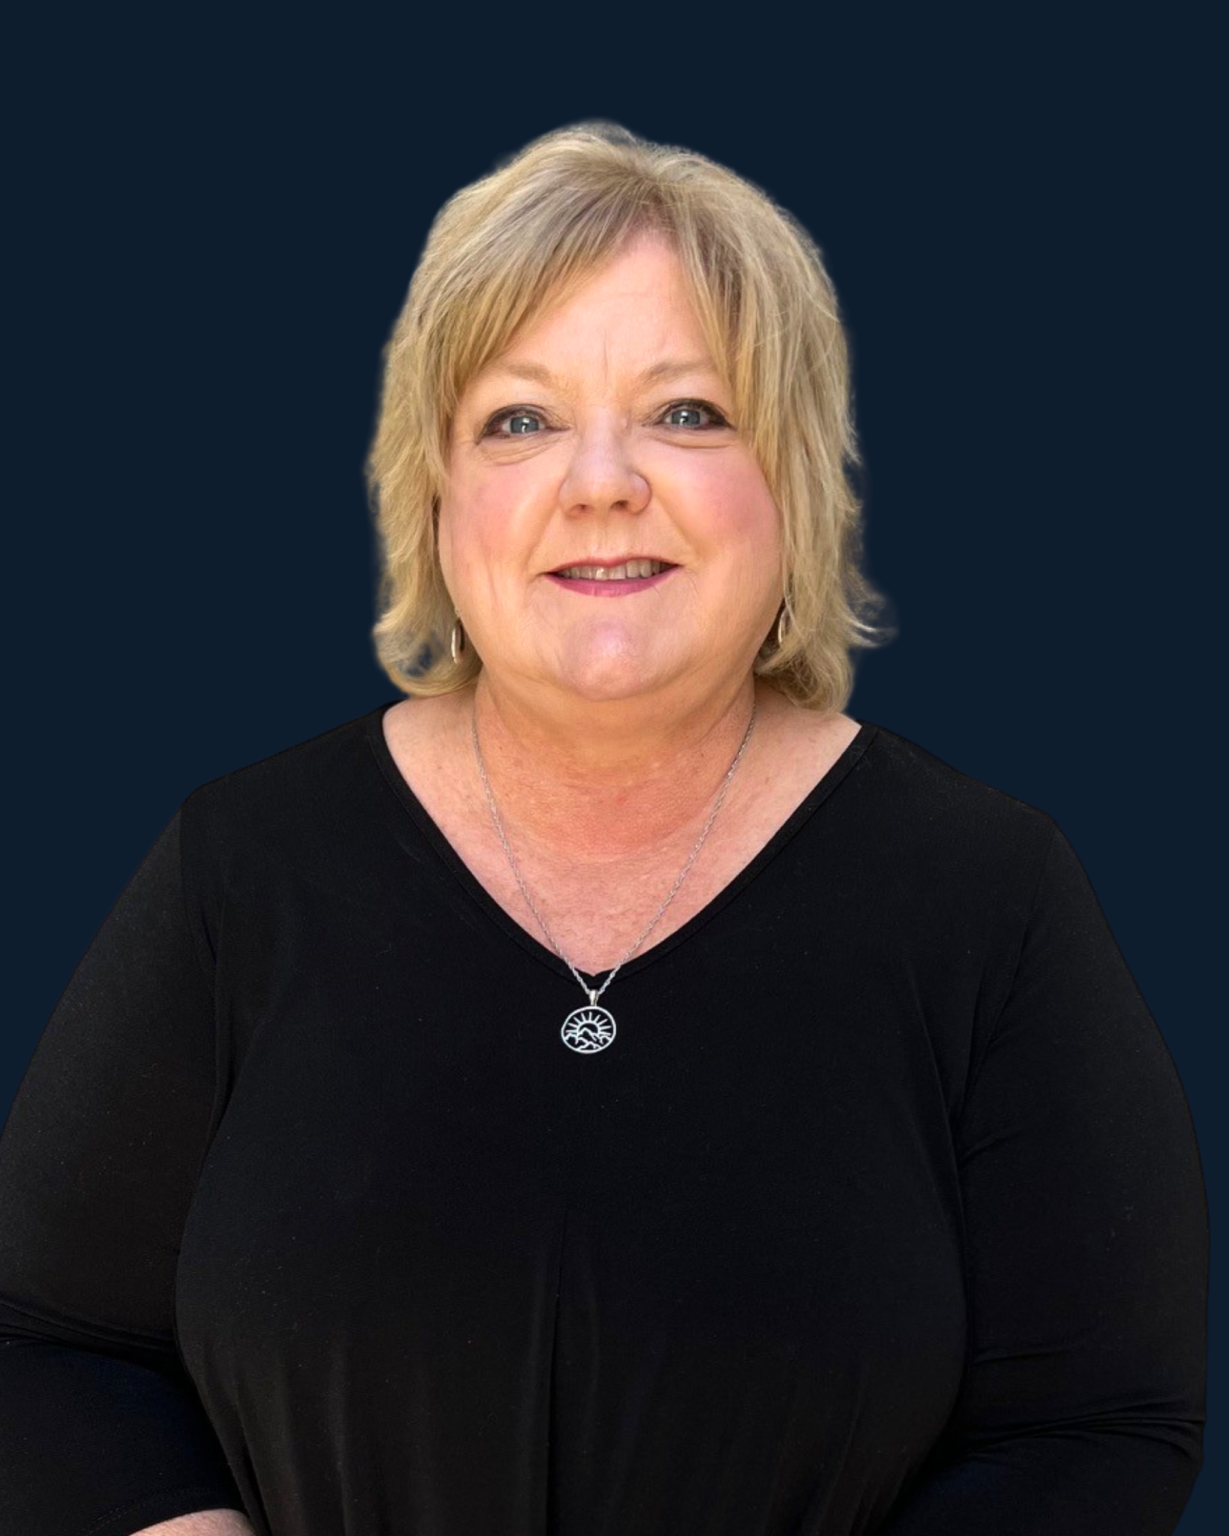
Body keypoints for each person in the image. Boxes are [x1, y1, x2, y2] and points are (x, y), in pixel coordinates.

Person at [0, 122, 1208, 1536]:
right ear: (434, 499)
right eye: (520, 420)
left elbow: (1097, 1426)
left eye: (688, 412)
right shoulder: (241, 866)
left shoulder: (990, 896)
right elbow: (47, 1342)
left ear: (796, 481)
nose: (601, 480)